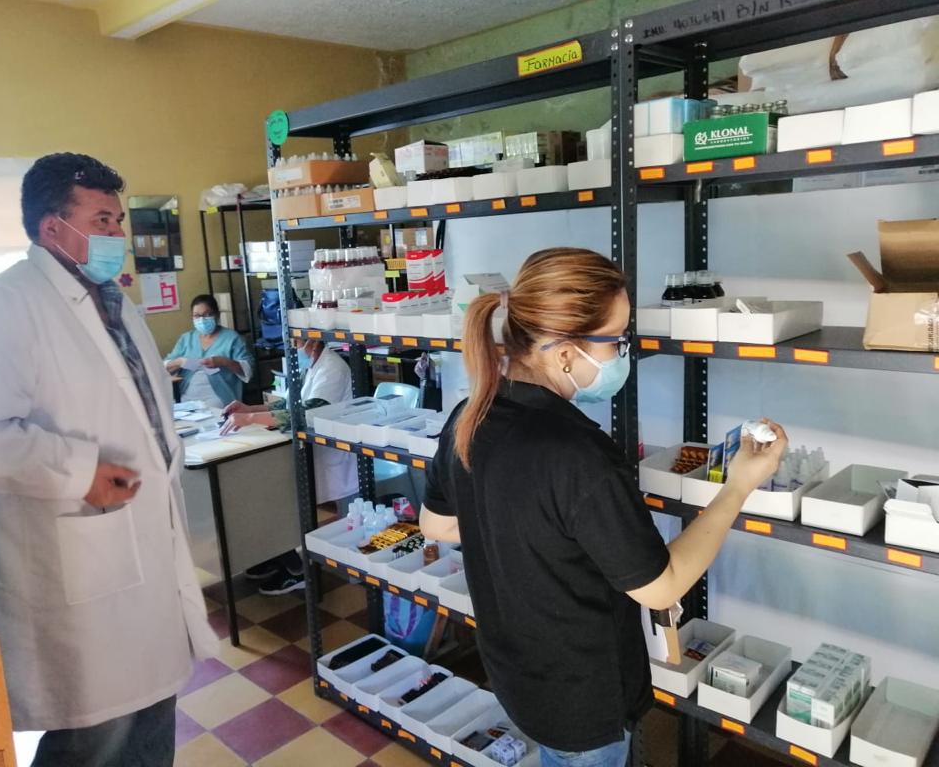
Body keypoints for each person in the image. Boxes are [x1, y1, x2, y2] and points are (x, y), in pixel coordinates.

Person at [419, 248, 787, 767]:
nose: (622, 354)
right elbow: (661, 586)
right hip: (583, 697)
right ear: (565, 353)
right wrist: (739, 486)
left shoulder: (471, 414)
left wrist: (523, 525)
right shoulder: (578, 454)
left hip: (515, 673)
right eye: (615, 340)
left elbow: (437, 525)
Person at [0, 153, 218, 767]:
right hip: (76, 562)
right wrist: (79, 472)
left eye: (118, 220)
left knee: (151, 713)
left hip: (141, 543)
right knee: (93, 737)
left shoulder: (111, 301)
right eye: (102, 220)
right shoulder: (3, 304)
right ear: (51, 227)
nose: (117, 234)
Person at [222, 337, 358, 594]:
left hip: (333, 451)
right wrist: (249, 408)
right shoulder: (312, 365)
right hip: (310, 449)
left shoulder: (333, 368)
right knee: (273, 493)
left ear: (313, 340)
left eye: (297, 342)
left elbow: (308, 411)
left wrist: (251, 418)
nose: (294, 347)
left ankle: (297, 569)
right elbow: (287, 403)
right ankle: (277, 555)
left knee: (280, 498)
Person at [164, 294, 254, 411]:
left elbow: (248, 370)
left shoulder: (231, 338)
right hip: (187, 396)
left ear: (217, 315)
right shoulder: (186, 339)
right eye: (197, 316)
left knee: (211, 414)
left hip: (219, 397)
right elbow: (164, 368)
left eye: (207, 314)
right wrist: (180, 362)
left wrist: (223, 362)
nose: (201, 319)